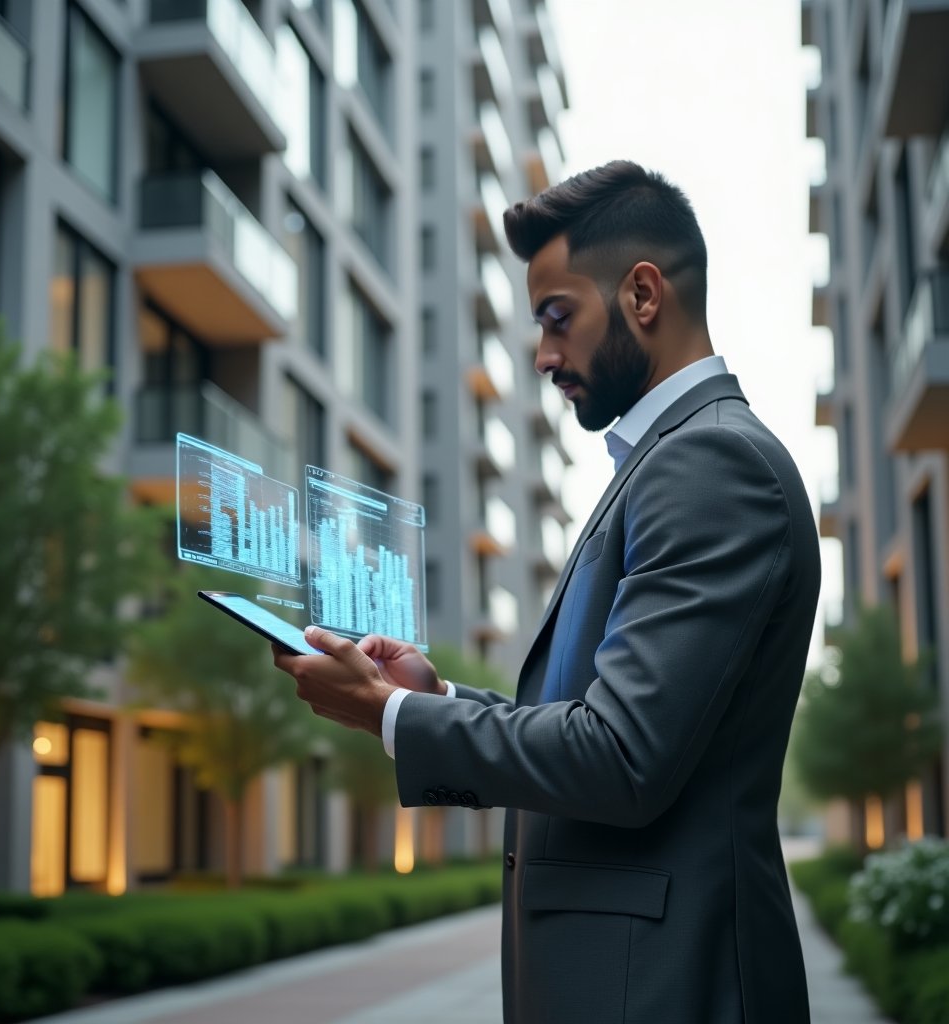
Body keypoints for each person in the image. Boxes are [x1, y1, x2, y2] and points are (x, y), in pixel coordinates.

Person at [272, 160, 820, 1024]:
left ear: (643, 294)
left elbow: (620, 757)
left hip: (666, 990)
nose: (543, 354)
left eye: (558, 318)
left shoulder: (710, 465)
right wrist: (435, 696)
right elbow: (604, 719)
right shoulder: (667, 463)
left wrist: (389, 718)